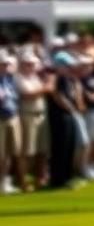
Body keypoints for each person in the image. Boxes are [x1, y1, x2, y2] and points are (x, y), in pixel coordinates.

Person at [48, 51, 84, 189]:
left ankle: (68, 177)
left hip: (69, 115)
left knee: (69, 146)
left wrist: (73, 109)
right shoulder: (56, 78)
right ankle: (58, 179)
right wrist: (71, 109)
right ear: (59, 65)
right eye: (67, 65)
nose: (70, 67)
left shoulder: (68, 79)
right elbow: (58, 96)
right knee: (61, 148)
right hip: (60, 116)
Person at [15, 50, 50, 190]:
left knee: (42, 150)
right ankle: (23, 181)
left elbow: (40, 92)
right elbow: (28, 95)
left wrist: (44, 88)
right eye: (28, 64)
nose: (31, 66)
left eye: (32, 64)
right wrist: (45, 88)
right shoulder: (18, 78)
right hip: (27, 115)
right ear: (21, 64)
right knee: (27, 151)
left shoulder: (35, 77)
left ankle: (40, 179)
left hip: (41, 115)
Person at [0, 51, 23, 194]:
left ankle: (4, 182)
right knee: (1, 154)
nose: (4, 67)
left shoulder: (9, 79)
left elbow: (14, 97)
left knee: (9, 152)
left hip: (12, 117)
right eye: (2, 64)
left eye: (5, 64)